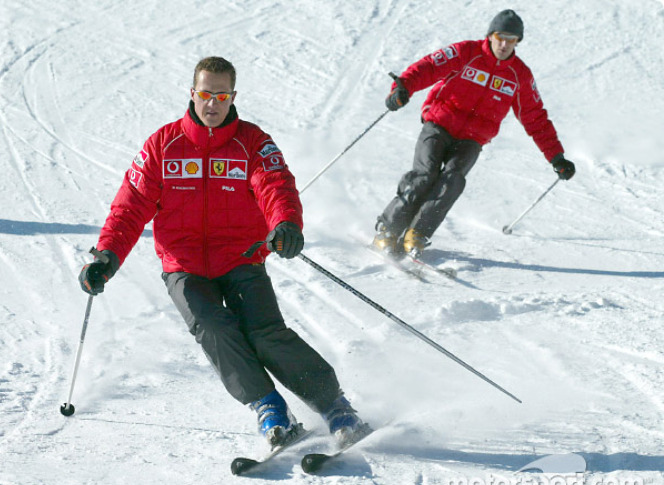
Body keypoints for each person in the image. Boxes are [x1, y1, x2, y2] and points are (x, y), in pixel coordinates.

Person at [78, 56, 370, 449]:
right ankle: (269, 406)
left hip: (241, 256)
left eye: (221, 95)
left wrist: (285, 223)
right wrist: (107, 257)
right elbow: (129, 207)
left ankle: (334, 406)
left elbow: (275, 184)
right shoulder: (163, 146)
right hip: (183, 265)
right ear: (192, 93)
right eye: (204, 94)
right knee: (212, 327)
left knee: (265, 333)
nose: (212, 103)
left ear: (233, 96)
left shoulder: (251, 142)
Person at [374, 9, 576, 256]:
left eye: (511, 39)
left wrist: (556, 157)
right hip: (439, 124)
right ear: (490, 35)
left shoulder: (519, 76)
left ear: (518, 42)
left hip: (471, 140)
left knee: (452, 180)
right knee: (425, 174)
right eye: (500, 37)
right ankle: (389, 229)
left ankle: (417, 234)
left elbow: (535, 117)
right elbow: (428, 67)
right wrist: (401, 88)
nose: (504, 44)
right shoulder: (466, 52)